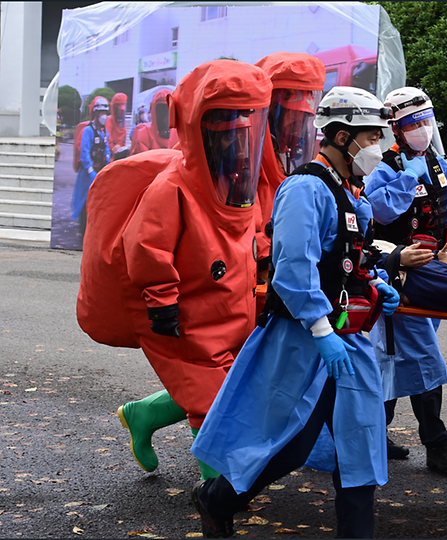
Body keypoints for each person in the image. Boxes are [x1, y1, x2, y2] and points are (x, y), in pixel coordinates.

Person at [190, 86, 400, 539]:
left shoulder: (348, 190)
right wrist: (322, 330)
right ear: (343, 137)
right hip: (304, 340)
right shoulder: (306, 189)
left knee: (361, 444)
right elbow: (292, 267)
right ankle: (217, 499)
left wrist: (376, 282)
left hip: (348, 340)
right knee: (289, 442)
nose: (377, 147)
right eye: (371, 136)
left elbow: (346, 260)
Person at [116, 59, 272, 481]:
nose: (237, 144)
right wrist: (162, 300)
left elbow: (248, 235)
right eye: (225, 133)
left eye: (244, 132)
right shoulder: (172, 187)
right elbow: (146, 246)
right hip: (189, 314)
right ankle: (215, 494)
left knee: (223, 388)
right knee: (209, 399)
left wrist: (265, 258)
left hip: (231, 311)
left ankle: (144, 415)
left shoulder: (237, 183)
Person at [363, 87, 447, 472]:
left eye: (427, 121)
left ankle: (374, 430)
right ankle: (437, 445)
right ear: (396, 128)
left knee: (393, 358)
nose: (423, 130)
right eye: (414, 124)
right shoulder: (387, 168)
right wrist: (409, 177)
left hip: (428, 266)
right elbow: (378, 210)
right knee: (417, 355)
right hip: (396, 274)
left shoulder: (439, 166)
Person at [252, 52, 325, 301]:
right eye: (289, 117)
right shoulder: (245, 154)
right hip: (256, 272)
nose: (295, 127)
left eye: (303, 119)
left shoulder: (287, 154)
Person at [71, 95, 110, 239]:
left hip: (99, 171)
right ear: (95, 114)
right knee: (85, 200)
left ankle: (94, 229)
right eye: (101, 113)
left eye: (105, 113)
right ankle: (83, 230)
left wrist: (108, 165)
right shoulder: (88, 131)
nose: (104, 116)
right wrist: (90, 170)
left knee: (98, 200)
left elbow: (107, 149)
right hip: (87, 173)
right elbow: (84, 152)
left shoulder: (104, 132)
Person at [130, 88, 179, 155]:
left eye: (167, 111)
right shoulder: (143, 134)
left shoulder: (178, 135)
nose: (164, 117)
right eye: (161, 111)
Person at [106, 92, 130, 161]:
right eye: (120, 110)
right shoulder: (109, 121)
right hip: (111, 158)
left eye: (123, 111)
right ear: (115, 109)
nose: (121, 112)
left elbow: (123, 140)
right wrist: (114, 148)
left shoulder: (122, 123)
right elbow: (108, 140)